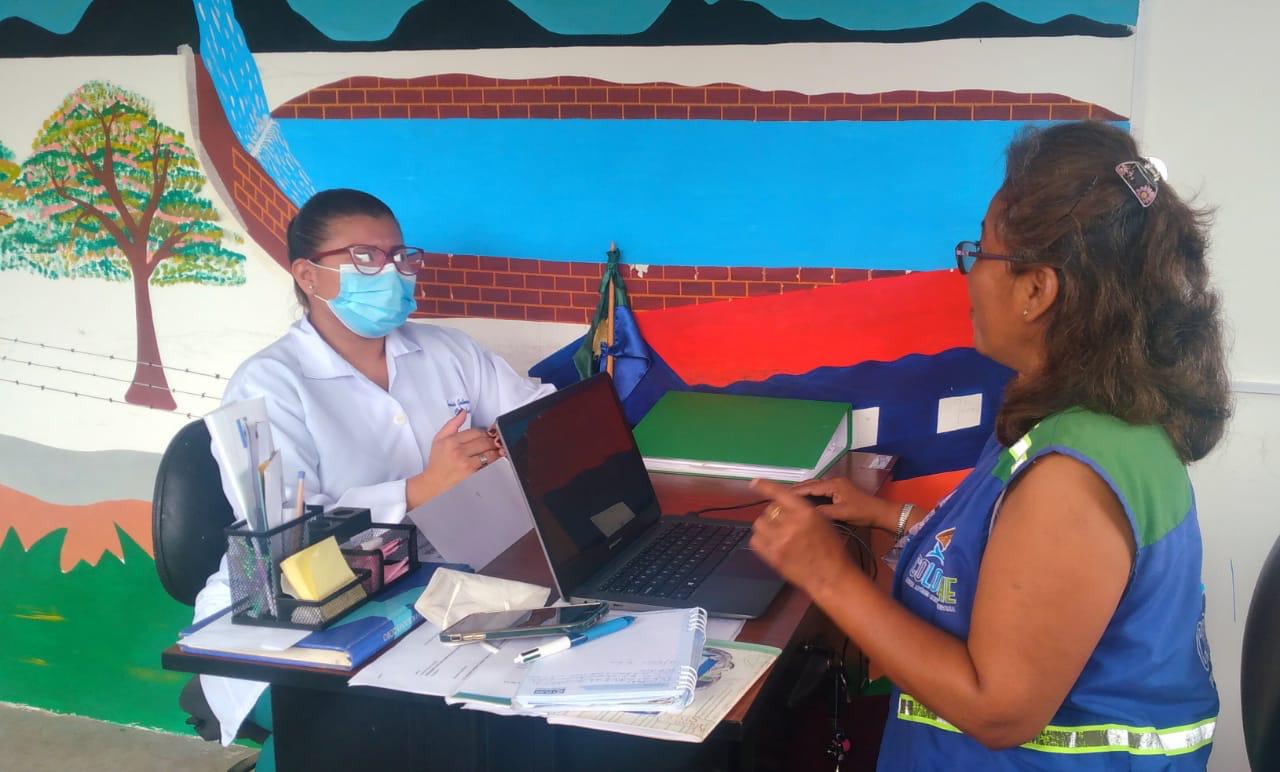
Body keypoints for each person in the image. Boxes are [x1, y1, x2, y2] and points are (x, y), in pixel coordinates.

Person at [750, 121, 1230, 769]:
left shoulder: (1072, 478)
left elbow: (997, 708)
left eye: (981, 251)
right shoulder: (1088, 418)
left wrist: (825, 574)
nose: (970, 272)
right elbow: (1016, 567)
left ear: (1037, 290)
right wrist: (889, 516)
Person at [190, 189, 554, 768]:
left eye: (400, 256)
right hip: (300, 614)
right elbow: (287, 541)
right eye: (365, 257)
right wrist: (422, 489)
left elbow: (541, 417)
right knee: (382, 728)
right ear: (307, 275)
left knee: (513, 704)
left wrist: (510, 441)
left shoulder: (446, 350)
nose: (390, 272)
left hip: (438, 579)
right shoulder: (267, 384)